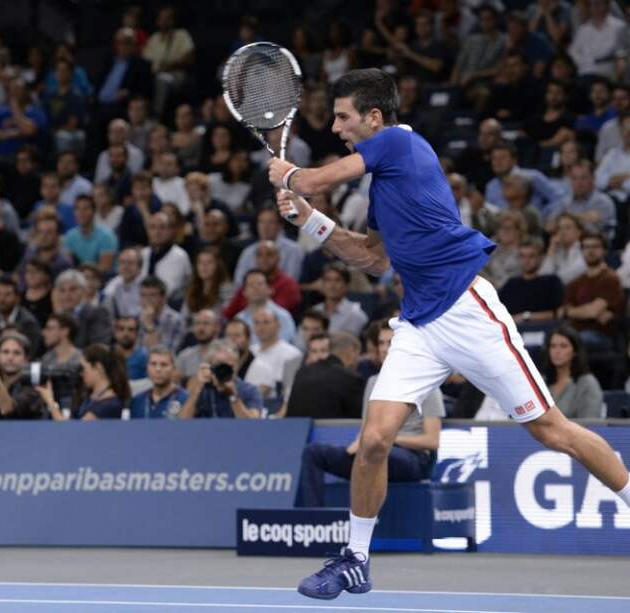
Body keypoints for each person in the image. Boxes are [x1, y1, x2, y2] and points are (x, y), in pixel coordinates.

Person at [268, 68, 630, 600]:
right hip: (419, 325)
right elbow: (372, 258)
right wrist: (308, 220)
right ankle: (355, 560)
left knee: (552, 431)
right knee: (374, 440)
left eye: (343, 117)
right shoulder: (383, 185)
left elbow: (315, 179)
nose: (337, 128)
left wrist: (292, 177)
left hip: (466, 309)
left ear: (373, 117)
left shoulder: (398, 142)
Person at [300, 322, 443, 507]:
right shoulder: (373, 382)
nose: (384, 348)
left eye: (390, 343)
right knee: (313, 453)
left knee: (376, 450)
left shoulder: (426, 384)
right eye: (381, 343)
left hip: (412, 459)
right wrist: (361, 442)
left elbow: (432, 441)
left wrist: (387, 440)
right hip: (372, 450)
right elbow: (367, 428)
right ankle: (315, 519)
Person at [560, 231, 625, 351]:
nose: (590, 251)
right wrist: (574, 311)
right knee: (550, 340)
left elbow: (593, 312)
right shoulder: (576, 282)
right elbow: (562, 311)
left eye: (595, 246)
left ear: (604, 250)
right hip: (574, 331)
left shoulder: (610, 278)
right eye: (586, 247)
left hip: (601, 335)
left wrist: (573, 312)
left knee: (573, 341)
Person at [38, 343, 129, 420]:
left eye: (83, 368)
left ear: (97, 367)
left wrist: (50, 401)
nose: (81, 374)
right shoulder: (89, 395)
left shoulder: (109, 404)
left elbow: (73, 431)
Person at [285, 332, 364, 420]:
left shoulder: (302, 373)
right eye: (358, 354)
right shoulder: (351, 378)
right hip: (335, 428)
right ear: (351, 350)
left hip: (298, 428)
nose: (357, 360)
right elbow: (358, 419)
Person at [179, 339, 262, 419]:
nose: (222, 371)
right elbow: (181, 422)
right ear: (210, 366)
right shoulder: (202, 389)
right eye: (218, 365)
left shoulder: (249, 390)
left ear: (236, 366)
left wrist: (233, 396)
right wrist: (197, 390)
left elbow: (253, 424)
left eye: (227, 366)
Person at [542, 325, 604, 419]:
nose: (557, 351)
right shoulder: (541, 381)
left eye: (563, 346)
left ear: (575, 351)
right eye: (553, 346)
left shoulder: (587, 383)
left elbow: (591, 423)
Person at [498, 237, 563, 325]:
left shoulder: (551, 281)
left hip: (544, 329)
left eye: (531, 256)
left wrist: (525, 316)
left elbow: (557, 313)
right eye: (522, 256)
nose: (526, 261)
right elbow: (499, 312)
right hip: (514, 330)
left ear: (540, 258)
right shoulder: (511, 284)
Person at [244, 307, 303, 399]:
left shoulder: (292, 354)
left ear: (278, 325)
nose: (261, 327)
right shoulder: (248, 351)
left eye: (266, 322)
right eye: (256, 323)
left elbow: (283, 387)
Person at [53, 269, 112, 347]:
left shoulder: (98, 313)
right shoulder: (57, 316)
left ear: (84, 290)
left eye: (72, 289)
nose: (67, 295)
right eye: (62, 291)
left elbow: (99, 347)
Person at [0, 277, 40, 353]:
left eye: (7, 295)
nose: (2, 299)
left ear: (17, 298)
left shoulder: (28, 323)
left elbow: (31, 353)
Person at [63, 194, 118, 274]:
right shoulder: (70, 236)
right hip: (77, 277)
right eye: (77, 209)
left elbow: (105, 269)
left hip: (102, 278)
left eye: (86, 208)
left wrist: (85, 268)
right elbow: (68, 265)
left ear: (94, 211)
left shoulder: (107, 236)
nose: (81, 212)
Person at [129, 347, 189, 419]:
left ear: (173, 369)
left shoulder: (185, 399)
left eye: (164, 365)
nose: (158, 369)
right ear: (147, 368)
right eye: (153, 364)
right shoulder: (137, 401)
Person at [138, 275, 185, 352]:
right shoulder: (138, 317)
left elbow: (165, 353)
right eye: (143, 295)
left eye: (152, 295)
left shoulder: (175, 320)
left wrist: (149, 326)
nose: (147, 299)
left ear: (163, 297)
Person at [175, 309, 220, 381]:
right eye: (197, 323)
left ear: (216, 327)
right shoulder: (185, 356)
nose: (201, 328)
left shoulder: (225, 354)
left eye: (206, 323)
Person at [103, 248, 143, 318]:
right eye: (122, 262)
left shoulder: (146, 286)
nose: (126, 267)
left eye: (130, 263)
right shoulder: (113, 284)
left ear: (139, 267)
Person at [112, 315, 148, 381]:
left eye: (131, 329)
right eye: (121, 329)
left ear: (137, 333)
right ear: (115, 332)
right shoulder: (106, 356)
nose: (126, 333)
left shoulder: (145, 357)